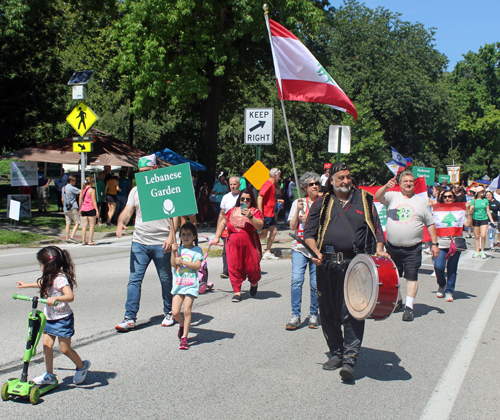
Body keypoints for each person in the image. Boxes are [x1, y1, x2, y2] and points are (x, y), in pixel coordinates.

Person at [304, 161, 387, 382]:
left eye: (348, 176)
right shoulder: (321, 203)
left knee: (352, 310)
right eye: (340, 177)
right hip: (327, 265)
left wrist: (380, 250)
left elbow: (377, 230)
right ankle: (336, 352)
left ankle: (350, 359)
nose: (345, 181)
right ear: (331, 181)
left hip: (356, 265)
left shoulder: (365, 200)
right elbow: (309, 234)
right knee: (328, 311)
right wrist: (314, 251)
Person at [115, 155, 178, 332]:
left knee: (166, 280)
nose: (142, 176)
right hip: (139, 242)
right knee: (134, 280)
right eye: (140, 173)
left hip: (161, 243)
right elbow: (127, 211)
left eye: (146, 172)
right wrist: (121, 223)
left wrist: (170, 237)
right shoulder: (135, 191)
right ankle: (129, 318)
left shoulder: (166, 188)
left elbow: (177, 216)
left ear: (155, 169)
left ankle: (169, 312)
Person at [15, 246, 90, 385]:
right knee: (47, 345)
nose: (40, 266)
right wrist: (26, 285)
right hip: (49, 317)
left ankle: (82, 366)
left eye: (41, 264)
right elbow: (43, 283)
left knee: (65, 349)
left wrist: (56, 299)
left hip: (62, 319)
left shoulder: (60, 279)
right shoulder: (50, 276)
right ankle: (49, 375)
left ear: (48, 265)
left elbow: (70, 296)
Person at [375, 171, 440, 322]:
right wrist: (386, 186)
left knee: (411, 276)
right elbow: (378, 197)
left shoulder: (421, 202)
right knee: (393, 276)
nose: (408, 183)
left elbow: (430, 224)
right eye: (405, 181)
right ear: (400, 183)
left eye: (411, 181)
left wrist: (435, 244)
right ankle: (397, 301)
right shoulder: (392, 196)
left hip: (413, 247)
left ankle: (409, 307)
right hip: (392, 246)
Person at [213, 188, 264, 302]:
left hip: (250, 245)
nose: (244, 201)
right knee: (234, 267)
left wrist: (251, 217)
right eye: (242, 199)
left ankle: (254, 282)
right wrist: (217, 236)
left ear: (251, 200)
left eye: (248, 199)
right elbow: (223, 222)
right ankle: (237, 291)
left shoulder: (255, 211)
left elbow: (260, 225)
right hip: (232, 245)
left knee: (253, 267)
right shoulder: (231, 211)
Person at [286, 172, 321, 330]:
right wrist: (297, 213)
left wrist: (311, 220)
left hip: (315, 248)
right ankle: (295, 315)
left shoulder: (323, 203)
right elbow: (292, 227)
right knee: (296, 281)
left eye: (317, 184)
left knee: (315, 284)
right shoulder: (298, 203)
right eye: (311, 184)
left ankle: (314, 314)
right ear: (305, 188)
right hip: (299, 247)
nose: (315, 186)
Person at [171, 223, 203, 350]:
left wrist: (183, 261)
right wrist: (173, 252)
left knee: (187, 310)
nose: (186, 237)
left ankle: (184, 338)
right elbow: (173, 264)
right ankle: (183, 325)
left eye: (189, 234)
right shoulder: (178, 249)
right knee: (174, 312)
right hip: (178, 285)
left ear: (194, 236)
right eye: (183, 234)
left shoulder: (197, 250)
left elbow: (197, 266)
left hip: (190, 285)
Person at [433, 191, 465, 302]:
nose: (447, 198)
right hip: (441, 243)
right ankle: (442, 284)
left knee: (452, 268)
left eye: (450, 196)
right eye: (445, 197)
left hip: (454, 242)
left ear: (454, 198)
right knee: (439, 266)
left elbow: (469, 224)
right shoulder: (436, 210)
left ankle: (449, 291)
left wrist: (469, 212)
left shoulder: (460, 210)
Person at [217, 176, 241, 279]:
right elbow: (221, 214)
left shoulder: (242, 197)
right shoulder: (226, 197)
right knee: (226, 249)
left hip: (239, 228)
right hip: (227, 228)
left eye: (234, 184)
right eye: (231, 184)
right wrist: (218, 230)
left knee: (238, 250)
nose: (232, 186)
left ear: (239, 185)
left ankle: (239, 270)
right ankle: (226, 271)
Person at [258, 168, 281, 260]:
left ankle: (267, 252)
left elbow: (267, 198)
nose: (279, 177)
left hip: (270, 213)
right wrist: (261, 213)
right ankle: (248, 241)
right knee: (263, 234)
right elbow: (260, 197)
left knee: (273, 231)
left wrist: (276, 200)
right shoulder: (268, 184)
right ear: (275, 175)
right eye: (279, 175)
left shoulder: (272, 185)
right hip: (266, 213)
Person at [470, 186, 495, 258]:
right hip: (475, 219)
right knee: (477, 236)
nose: (483, 193)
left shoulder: (485, 200)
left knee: (483, 235)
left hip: (484, 219)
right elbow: (470, 212)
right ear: (478, 192)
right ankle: (477, 251)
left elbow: (488, 211)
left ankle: (482, 251)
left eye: (483, 191)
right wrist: (471, 208)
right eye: (482, 191)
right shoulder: (473, 201)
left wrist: (492, 221)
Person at [79, 176, 99, 246]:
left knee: (84, 226)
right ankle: (90, 241)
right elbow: (94, 200)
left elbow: (80, 200)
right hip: (91, 208)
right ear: (91, 182)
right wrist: (97, 210)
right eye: (93, 182)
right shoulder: (92, 190)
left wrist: (79, 209)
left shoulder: (82, 190)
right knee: (92, 226)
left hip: (83, 209)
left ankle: (83, 241)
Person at [62, 175, 81, 244]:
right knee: (77, 222)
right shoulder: (71, 188)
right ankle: (72, 236)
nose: (75, 182)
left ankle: (67, 238)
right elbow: (80, 192)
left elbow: (62, 198)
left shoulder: (63, 188)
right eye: (74, 181)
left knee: (68, 223)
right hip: (73, 207)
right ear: (71, 181)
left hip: (66, 207)